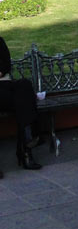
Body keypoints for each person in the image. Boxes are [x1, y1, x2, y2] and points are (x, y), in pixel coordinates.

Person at [0, 37, 42, 171]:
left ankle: (26, 146)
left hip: (4, 86)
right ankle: (27, 148)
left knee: (24, 85)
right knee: (22, 100)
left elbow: (6, 65)